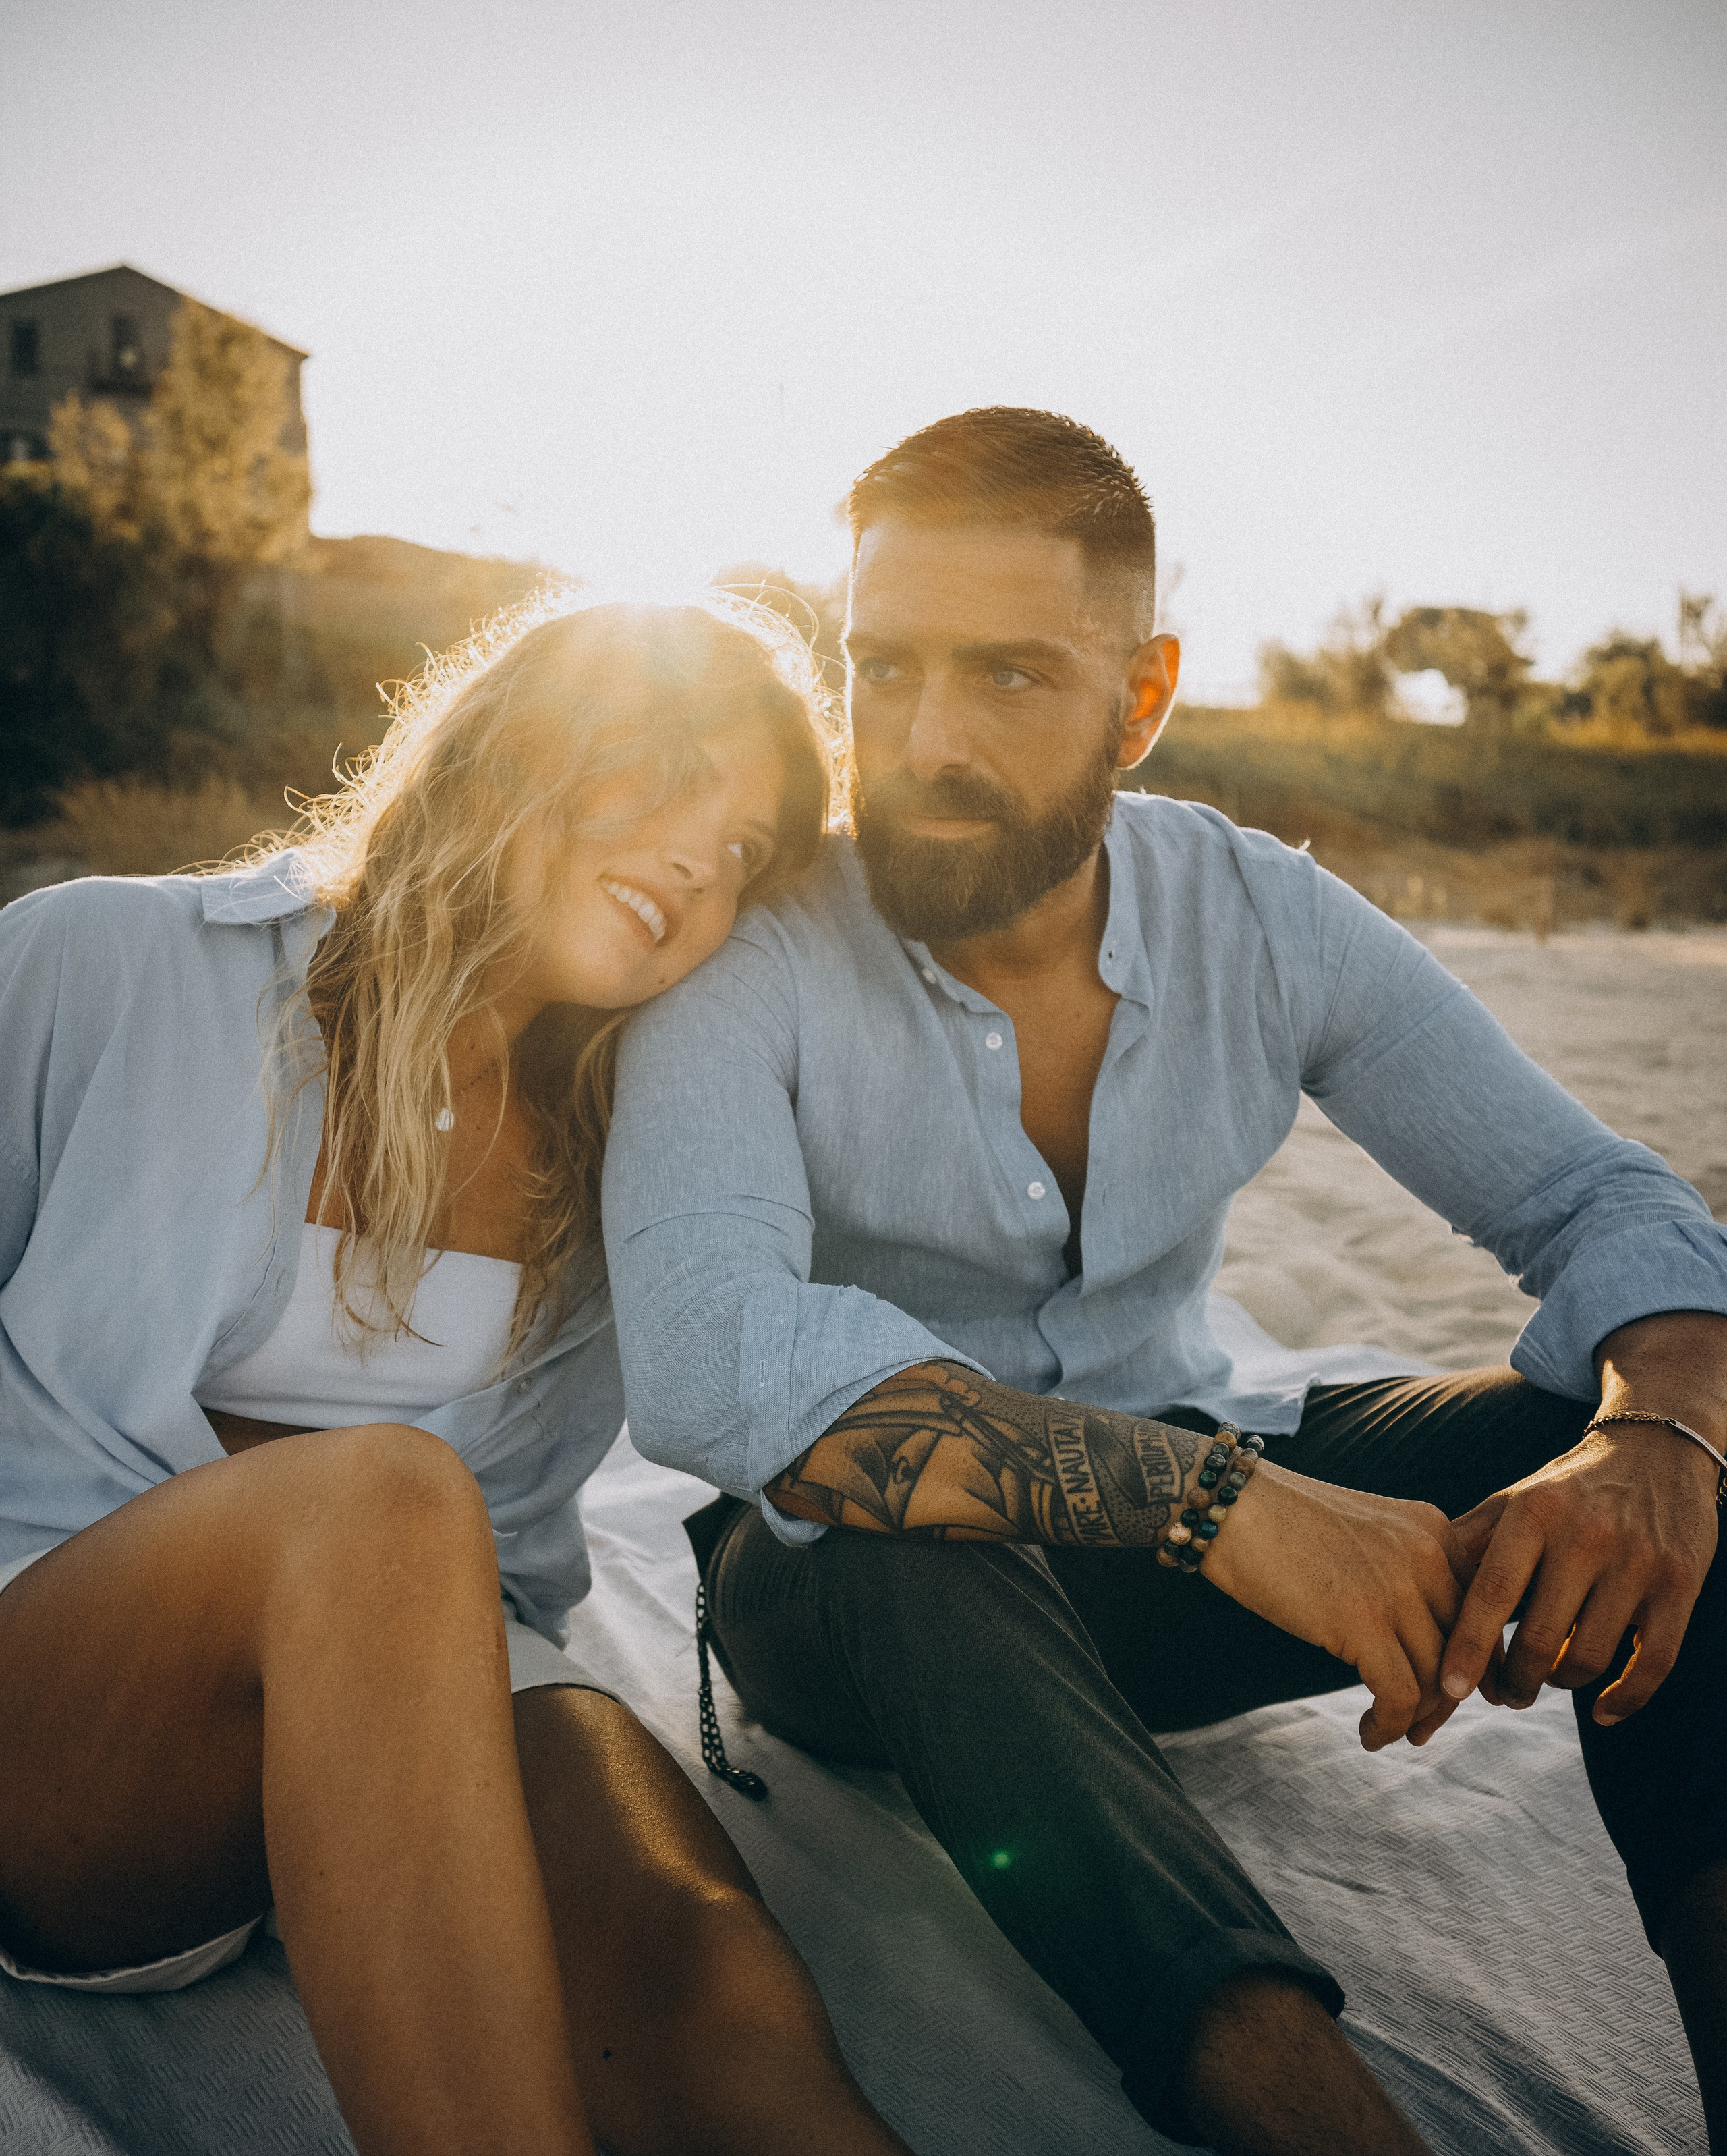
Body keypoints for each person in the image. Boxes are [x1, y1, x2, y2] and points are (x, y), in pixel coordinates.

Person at [603, 410, 1727, 2156]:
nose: (921, 739)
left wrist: (1657, 1427)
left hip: (1186, 1549)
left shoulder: (1257, 917)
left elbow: (1595, 1197)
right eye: (883, 666)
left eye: (1007, 676)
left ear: (1139, 699)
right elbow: (707, 1349)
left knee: (1654, 1460)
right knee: (899, 1527)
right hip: (867, 1607)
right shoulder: (751, 949)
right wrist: (1218, 1500)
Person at [0, 598, 915, 2156]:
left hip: (398, 1709)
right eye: (669, 771)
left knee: (690, 1944)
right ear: (521, 742)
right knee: (387, 1504)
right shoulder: (109, 960)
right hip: (61, 1720)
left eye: (745, 849)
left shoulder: (615, 1151)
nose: (699, 860)